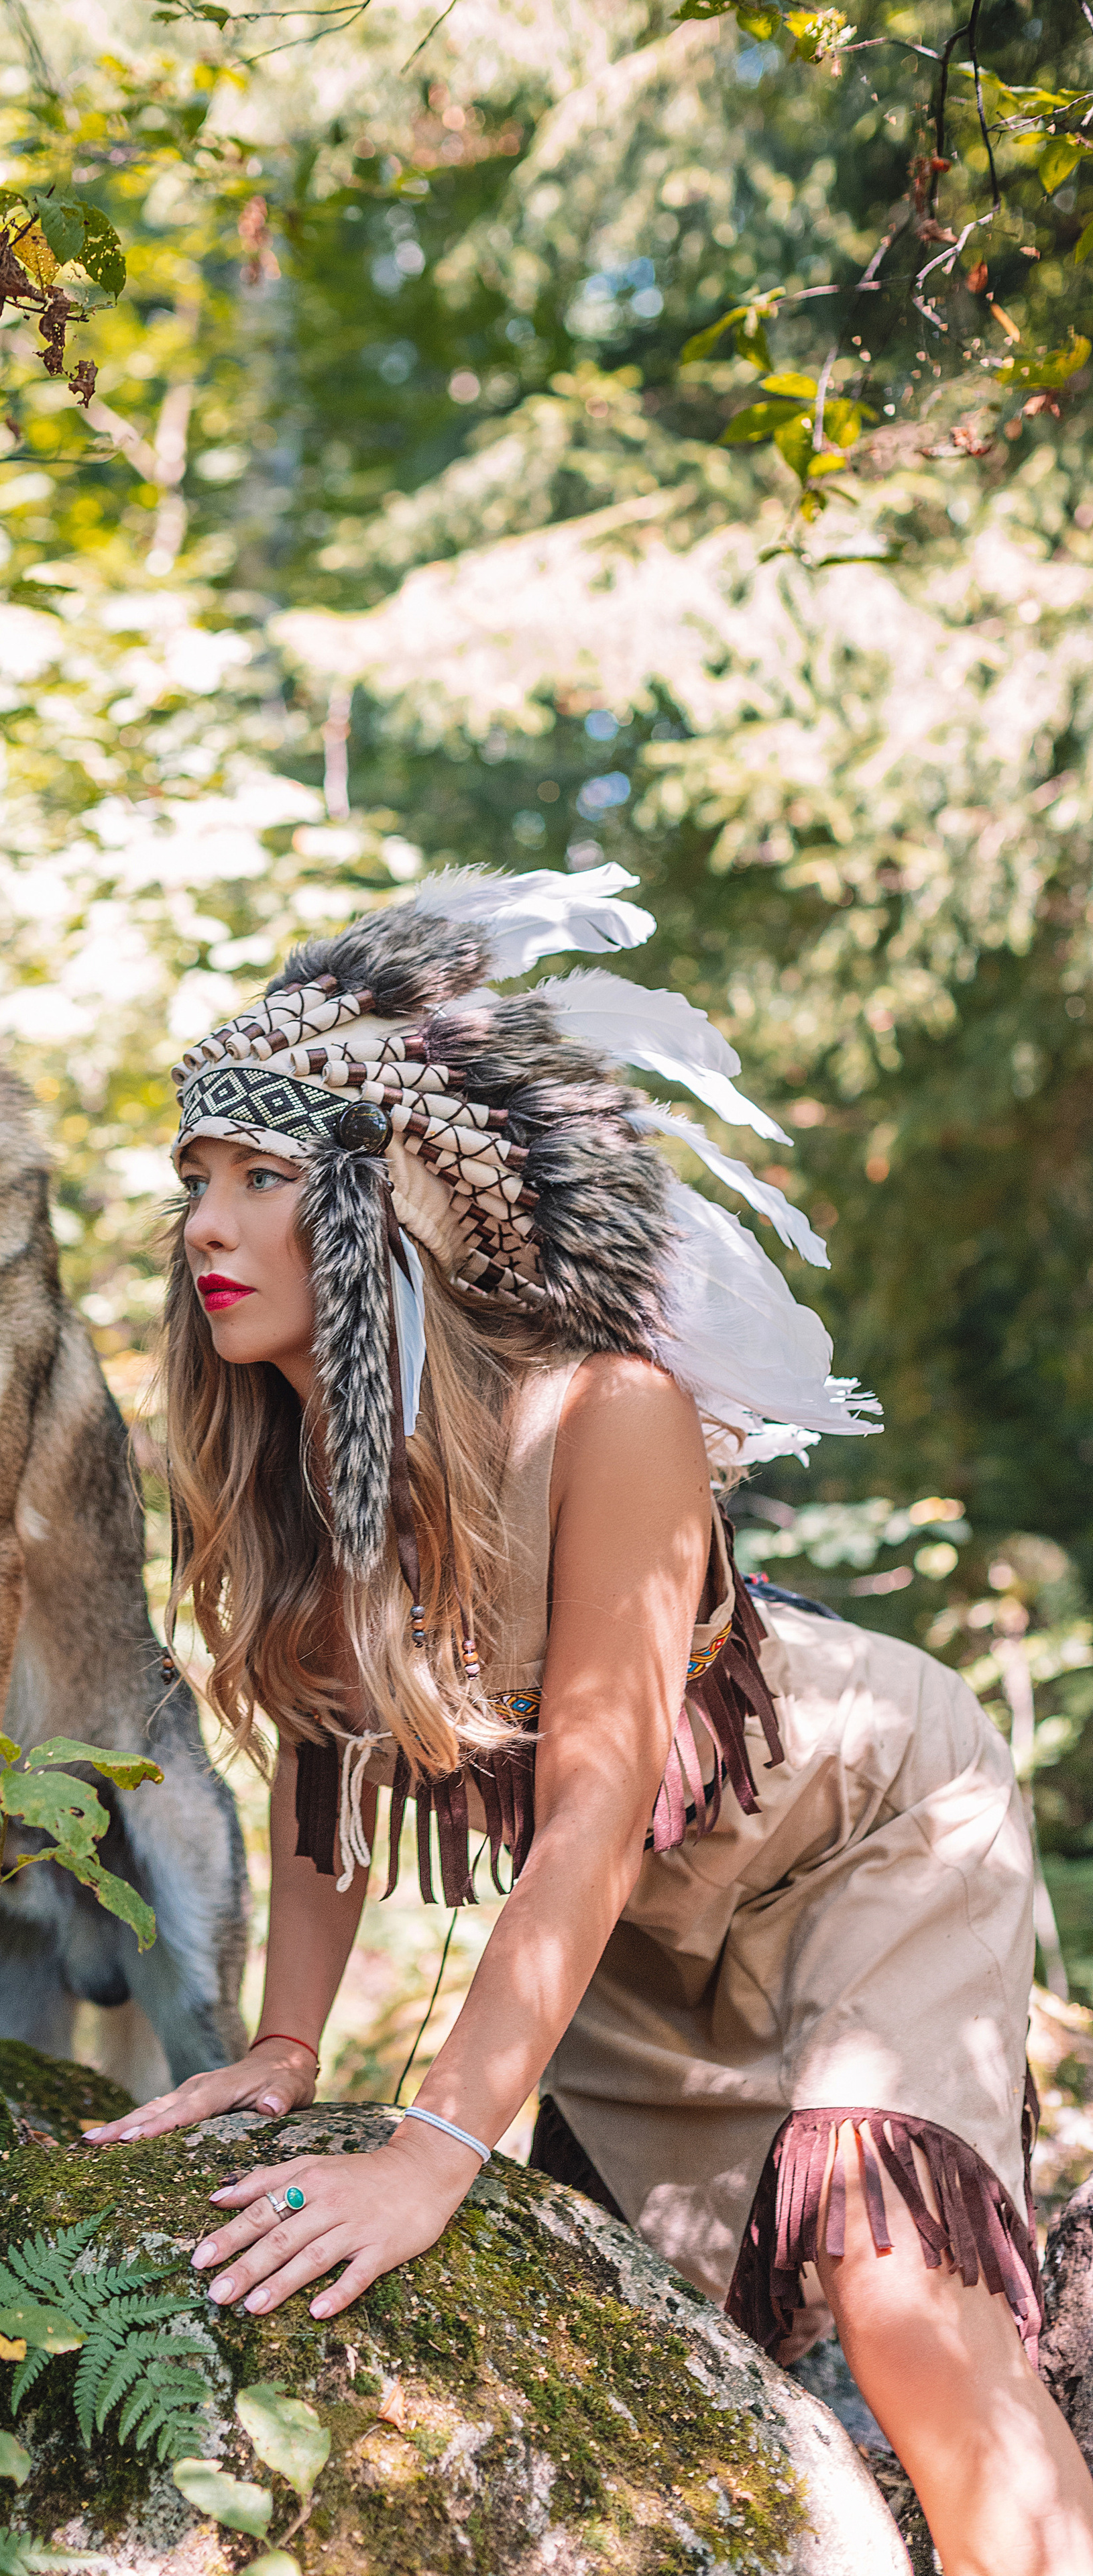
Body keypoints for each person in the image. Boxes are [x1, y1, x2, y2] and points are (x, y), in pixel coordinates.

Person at [82, 865, 1093, 2576]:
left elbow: (594, 1807)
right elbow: (324, 1775)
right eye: (195, 1180)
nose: (203, 1227)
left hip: (869, 1843)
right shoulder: (290, 1477)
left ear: (385, 1213)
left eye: (263, 1178)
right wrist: (283, 2050)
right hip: (638, 1927)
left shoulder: (604, 1417)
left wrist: (431, 2149)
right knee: (646, 2344)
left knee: (895, 2300)